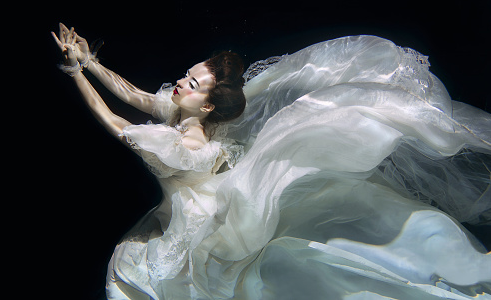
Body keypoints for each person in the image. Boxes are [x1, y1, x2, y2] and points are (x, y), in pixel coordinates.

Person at [52, 23, 491, 299]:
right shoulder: (185, 115)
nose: (179, 86)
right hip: (196, 199)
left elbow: (114, 120)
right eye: (186, 77)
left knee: (151, 275)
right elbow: (136, 97)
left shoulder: (184, 144)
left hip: (203, 219)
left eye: (190, 83)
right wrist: (90, 60)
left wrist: (74, 72)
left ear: (206, 107)